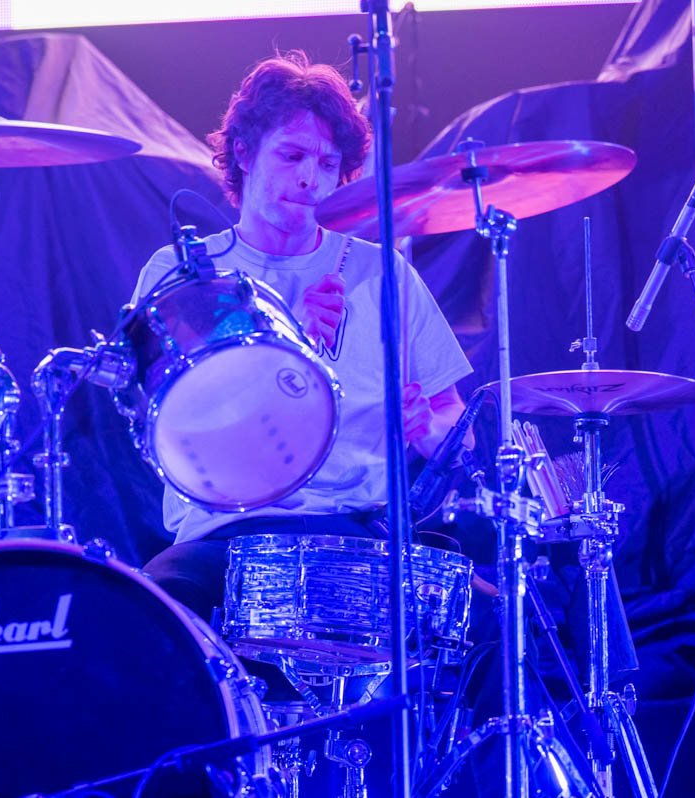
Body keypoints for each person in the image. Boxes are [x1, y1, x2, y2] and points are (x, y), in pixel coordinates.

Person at [135, 52, 474, 622]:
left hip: (357, 531)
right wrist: (287, 344)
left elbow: (452, 419)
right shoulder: (185, 274)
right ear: (244, 153)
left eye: (327, 163)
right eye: (291, 155)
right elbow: (169, 429)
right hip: (227, 532)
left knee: (480, 622)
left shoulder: (381, 272)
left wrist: (429, 432)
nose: (309, 179)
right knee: (155, 608)